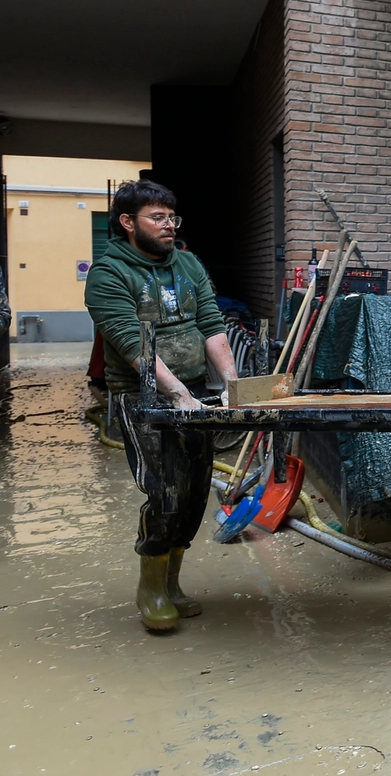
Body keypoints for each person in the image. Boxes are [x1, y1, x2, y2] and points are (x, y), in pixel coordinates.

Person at [84, 180, 238, 632]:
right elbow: (132, 343)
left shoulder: (187, 263)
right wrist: (177, 395)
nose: (169, 225)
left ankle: (172, 584)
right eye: (158, 217)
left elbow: (211, 321)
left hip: (193, 390)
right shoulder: (109, 274)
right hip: (142, 396)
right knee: (166, 491)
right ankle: (149, 587)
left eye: (173, 217)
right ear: (128, 223)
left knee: (194, 492)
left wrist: (232, 384)